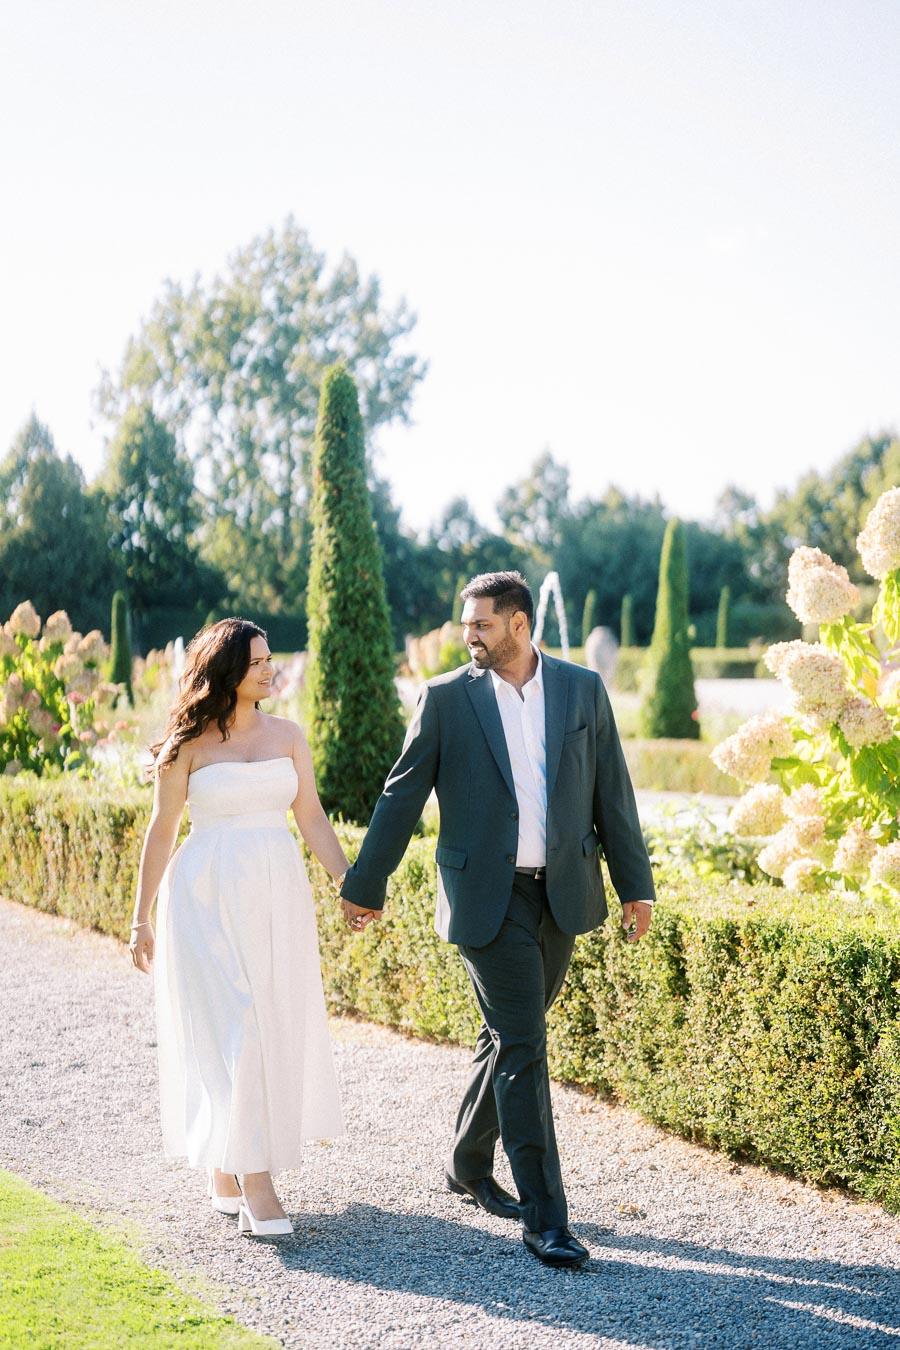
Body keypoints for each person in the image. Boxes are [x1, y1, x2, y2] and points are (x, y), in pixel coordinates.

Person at [340, 572, 654, 1269]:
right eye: (466, 625)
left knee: (509, 1035)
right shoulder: (449, 699)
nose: (469, 636)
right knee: (524, 1045)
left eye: (480, 624)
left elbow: (613, 792)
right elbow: (401, 795)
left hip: (562, 893)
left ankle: (466, 1159)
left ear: (518, 624)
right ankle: (547, 1221)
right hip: (486, 897)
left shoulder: (580, 689)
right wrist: (367, 883)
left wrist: (637, 886)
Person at [130, 618, 356, 1238]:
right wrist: (139, 918)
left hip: (276, 895)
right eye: (257, 661)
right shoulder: (186, 746)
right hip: (204, 897)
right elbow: (162, 830)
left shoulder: (288, 735)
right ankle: (258, 1183)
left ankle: (226, 1166)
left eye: (269, 658)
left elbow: (309, 815)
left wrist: (349, 886)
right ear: (227, 671)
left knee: (267, 1026)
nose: (269, 668)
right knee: (241, 1030)